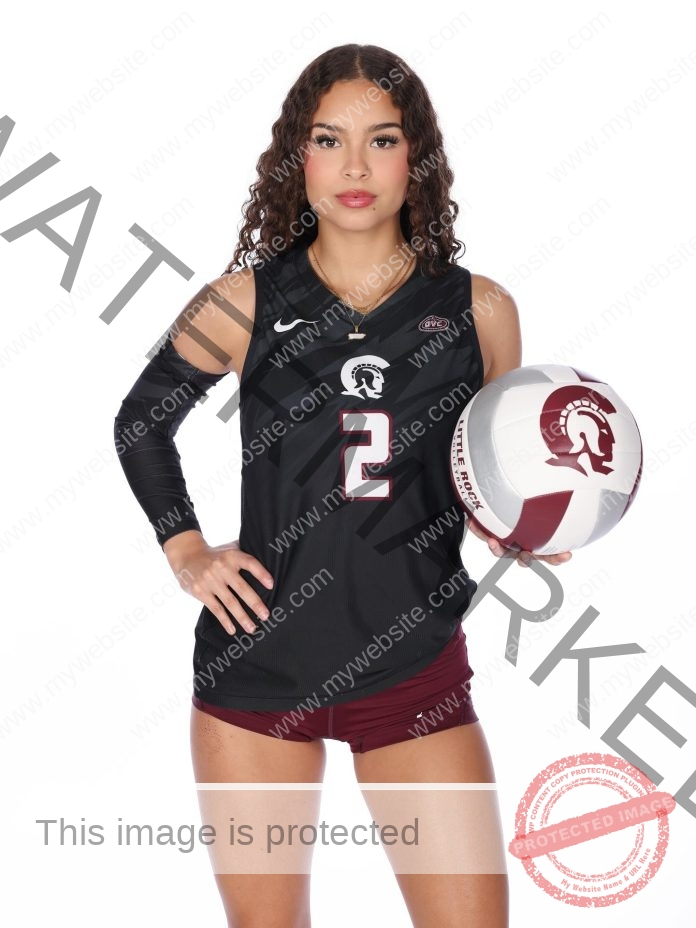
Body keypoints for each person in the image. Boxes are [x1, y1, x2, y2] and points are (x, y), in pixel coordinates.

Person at [114, 43, 571, 928]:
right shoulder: (246, 300)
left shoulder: (479, 310)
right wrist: (188, 550)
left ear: (418, 158)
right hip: (258, 675)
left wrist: (522, 528)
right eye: (329, 140)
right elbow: (142, 422)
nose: (356, 166)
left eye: (384, 140)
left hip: (413, 673)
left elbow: (489, 478)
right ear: (300, 157)